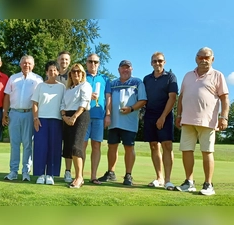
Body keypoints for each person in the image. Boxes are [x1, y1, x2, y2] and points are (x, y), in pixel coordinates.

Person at [174, 47, 229, 196]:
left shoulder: (218, 75)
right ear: (196, 58)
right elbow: (181, 97)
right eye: (200, 57)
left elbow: (224, 98)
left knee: (207, 152)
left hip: (208, 120)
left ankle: (208, 184)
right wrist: (178, 115)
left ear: (212, 59)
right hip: (187, 119)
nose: (203, 60)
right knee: (186, 150)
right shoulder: (187, 75)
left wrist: (223, 117)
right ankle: (189, 182)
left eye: (207, 57)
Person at [98, 60, 147, 186]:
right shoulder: (113, 83)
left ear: (132, 69)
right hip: (114, 121)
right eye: (123, 68)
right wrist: (107, 115)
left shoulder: (137, 82)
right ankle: (111, 172)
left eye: (128, 68)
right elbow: (108, 100)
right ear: (118, 69)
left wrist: (131, 108)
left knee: (129, 147)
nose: (125, 70)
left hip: (129, 122)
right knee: (112, 146)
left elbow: (143, 100)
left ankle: (128, 175)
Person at [3, 55, 43, 182]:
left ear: (33, 65)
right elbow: (7, 97)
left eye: (29, 63)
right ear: (20, 65)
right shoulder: (13, 78)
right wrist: (5, 112)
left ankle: (26, 171)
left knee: (27, 144)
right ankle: (13, 171)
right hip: (14, 113)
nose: (27, 65)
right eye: (24, 63)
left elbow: (40, 100)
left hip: (29, 113)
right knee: (14, 144)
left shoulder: (38, 79)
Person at [143, 52, 178, 190]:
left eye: (160, 61)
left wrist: (163, 116)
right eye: (155, 61)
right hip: (150, 115)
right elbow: (143, 98)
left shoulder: (170, 76)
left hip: (166, 114)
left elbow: (173, 97)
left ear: (164, 62)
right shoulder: (146, 79)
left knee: (167, 145)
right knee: (153, 145)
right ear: (151, 63)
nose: (157, 63)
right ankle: (159, 177)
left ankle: (168, 180)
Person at [32, 60, 65, 185]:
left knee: (54, 148)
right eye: (50, 70)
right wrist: (35, 118)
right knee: (40, 147)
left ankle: (51, 174)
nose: (52, 72)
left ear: (58, 72)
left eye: (55, 70)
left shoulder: (62, 87)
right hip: (41, 120)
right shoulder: (40, 86)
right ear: (46, 72)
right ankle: (40, 174)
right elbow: (34, 103)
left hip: (56, 120)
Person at [61, 63, 92, 188]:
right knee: (69, 148)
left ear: (83, 74)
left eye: (78, 71)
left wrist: (74, 117)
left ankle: (79, 178)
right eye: (73, 72)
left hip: (80, 116)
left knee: (76, 146)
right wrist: (64, 117)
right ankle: (76, 177)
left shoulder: (85, 85)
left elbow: (84, 103)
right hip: (67, 117)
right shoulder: (68, 89)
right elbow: (62, 104)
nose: (76, 74)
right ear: (70, 74)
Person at [84, 53, 111, 185]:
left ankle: (93, 176)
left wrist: (108, 114)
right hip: (84, 116)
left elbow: (108, 97)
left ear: (99, 64)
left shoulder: (104, 78)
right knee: (82, 146)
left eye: (95, 62)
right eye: (90, 62)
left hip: (99, 116)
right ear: (86, 63)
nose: (93, 64)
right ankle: (79, 175)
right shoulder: (82, 77)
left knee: (96, 146)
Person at [56, 50, 74, 183]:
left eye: (66, 60)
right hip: (53, 115)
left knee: (68, 145)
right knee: (55, 144)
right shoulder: (52, 74)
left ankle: (68, 172)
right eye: (62, 59)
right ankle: (52, 170)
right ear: (58, 60)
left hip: (68, 115)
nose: (64, 62)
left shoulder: (73, 76)